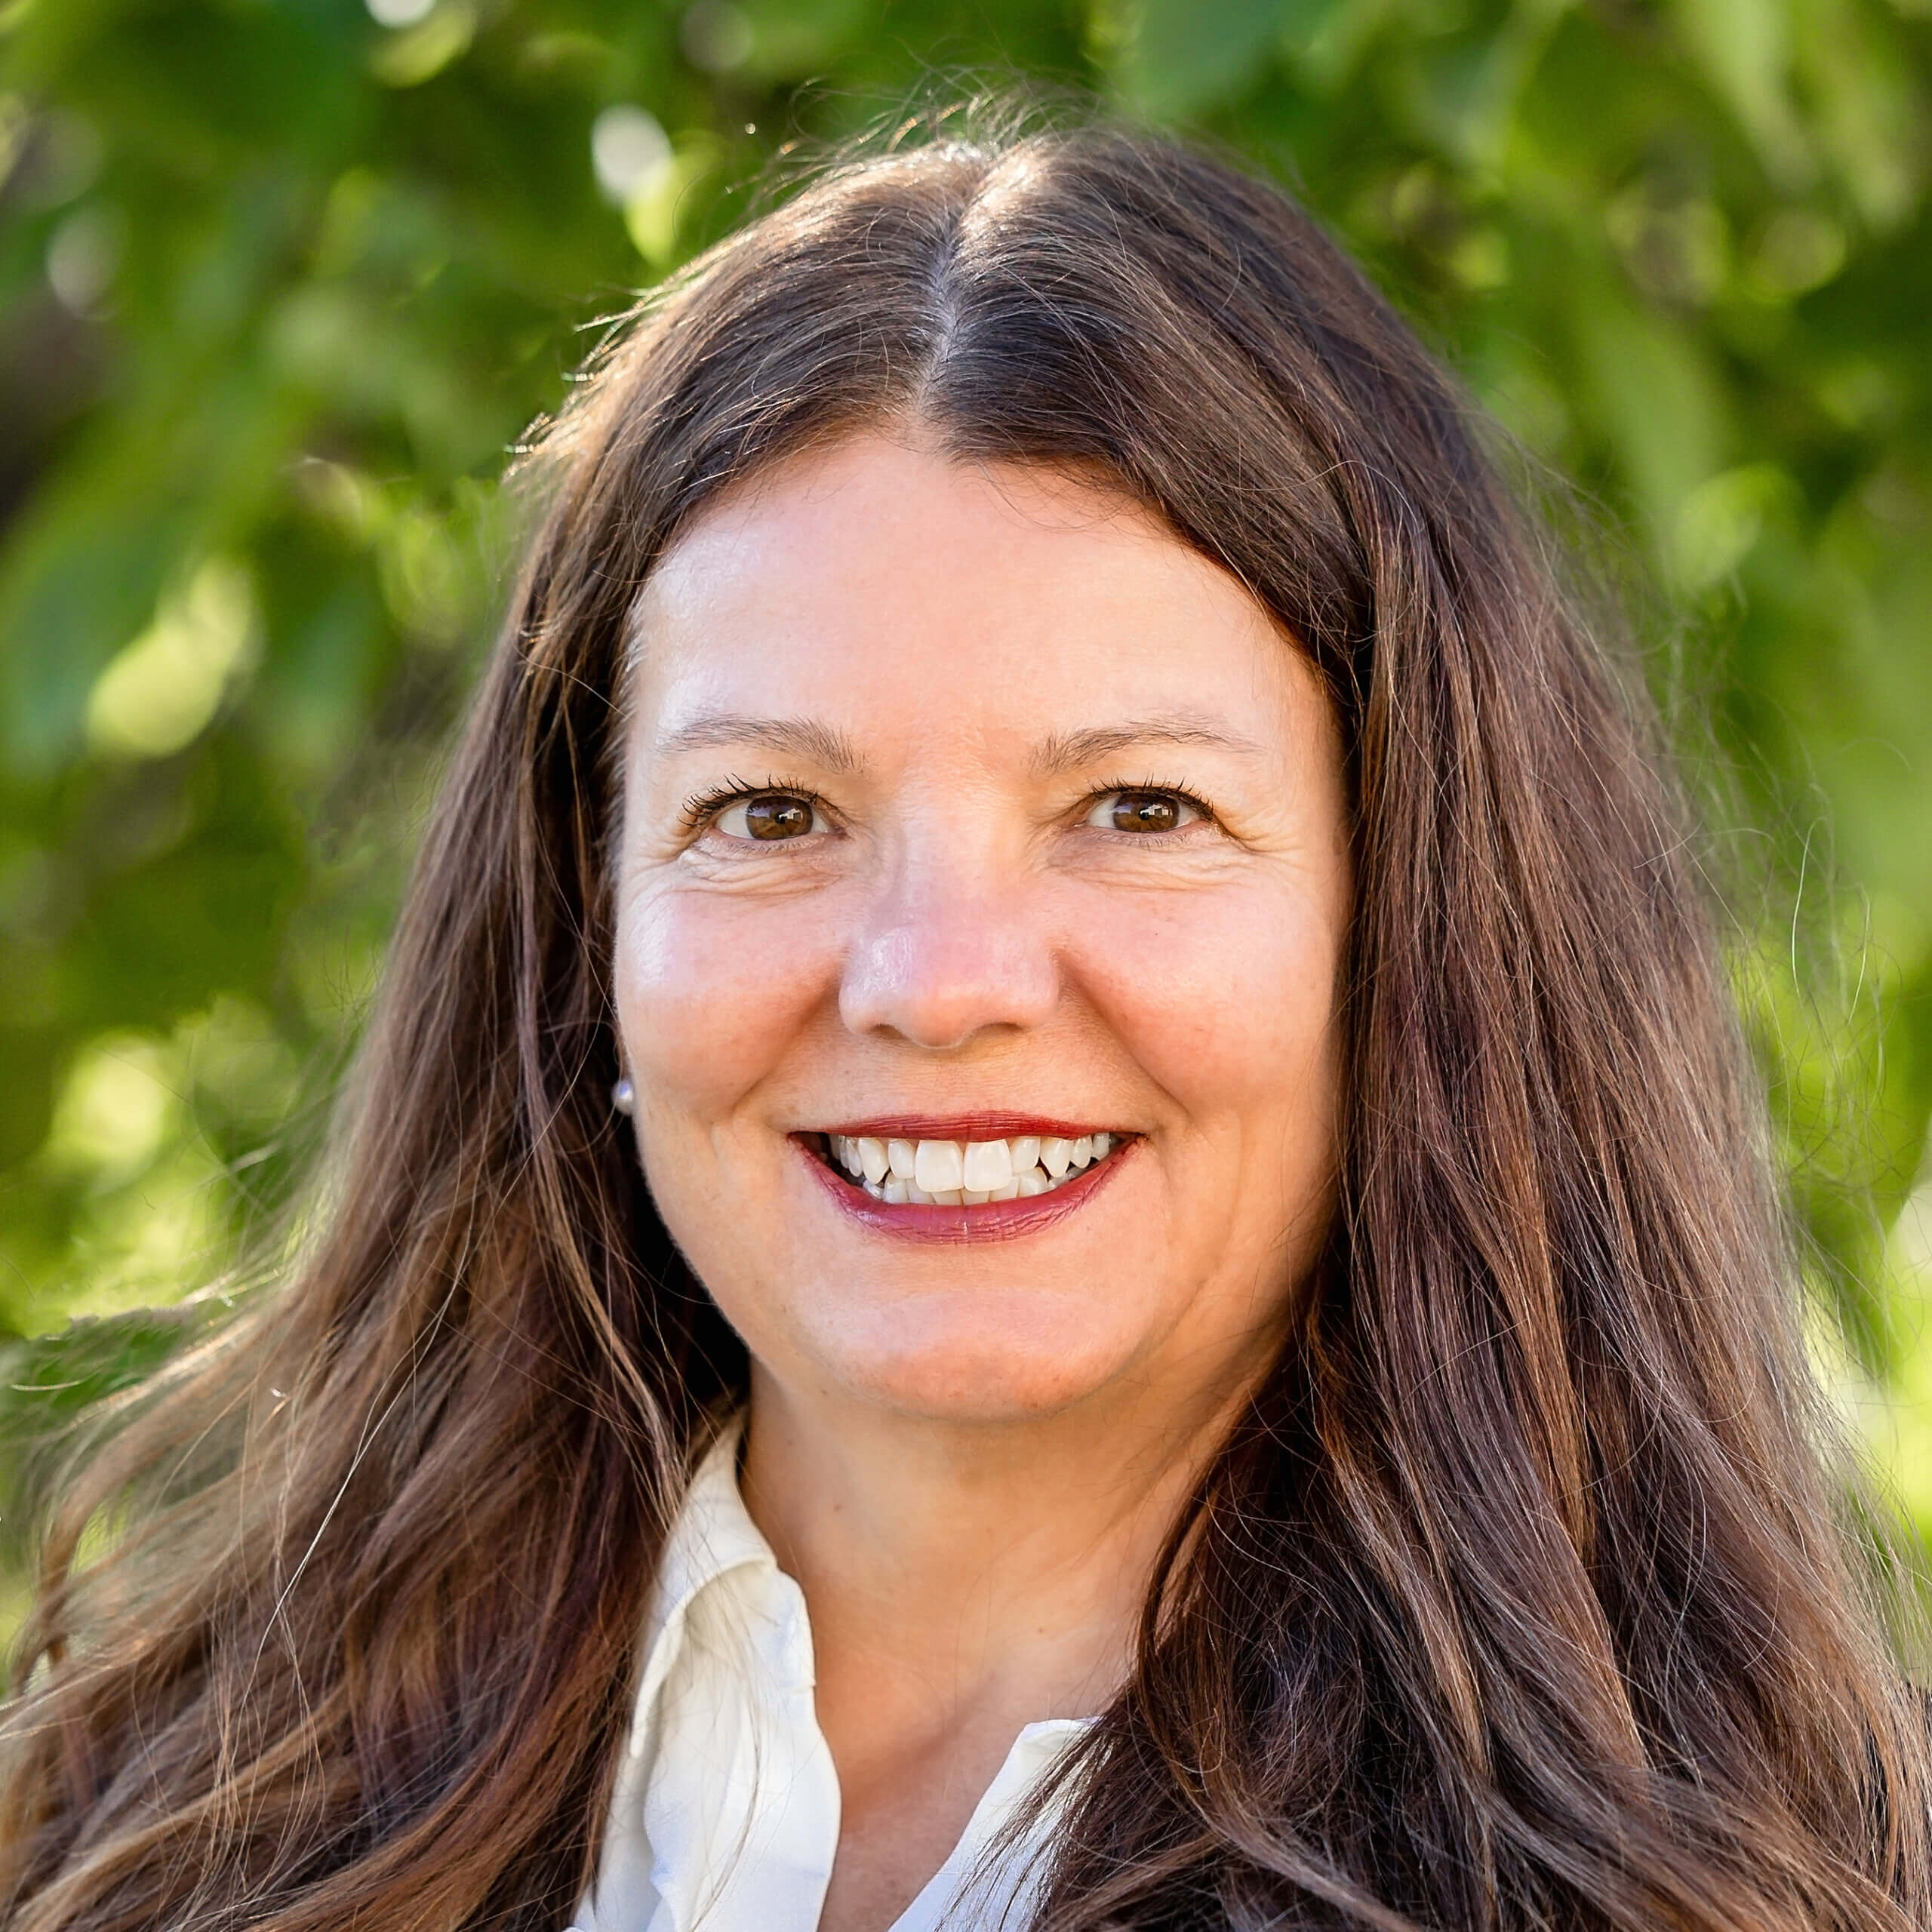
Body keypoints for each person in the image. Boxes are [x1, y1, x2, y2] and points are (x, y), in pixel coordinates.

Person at [3, 109, 1928, 1932]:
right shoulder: (136, 1830)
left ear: (1408, 931)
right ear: (581, 933)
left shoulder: (1762, 1881)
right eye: (769, 813)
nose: (935, 980)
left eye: (1138, 809)